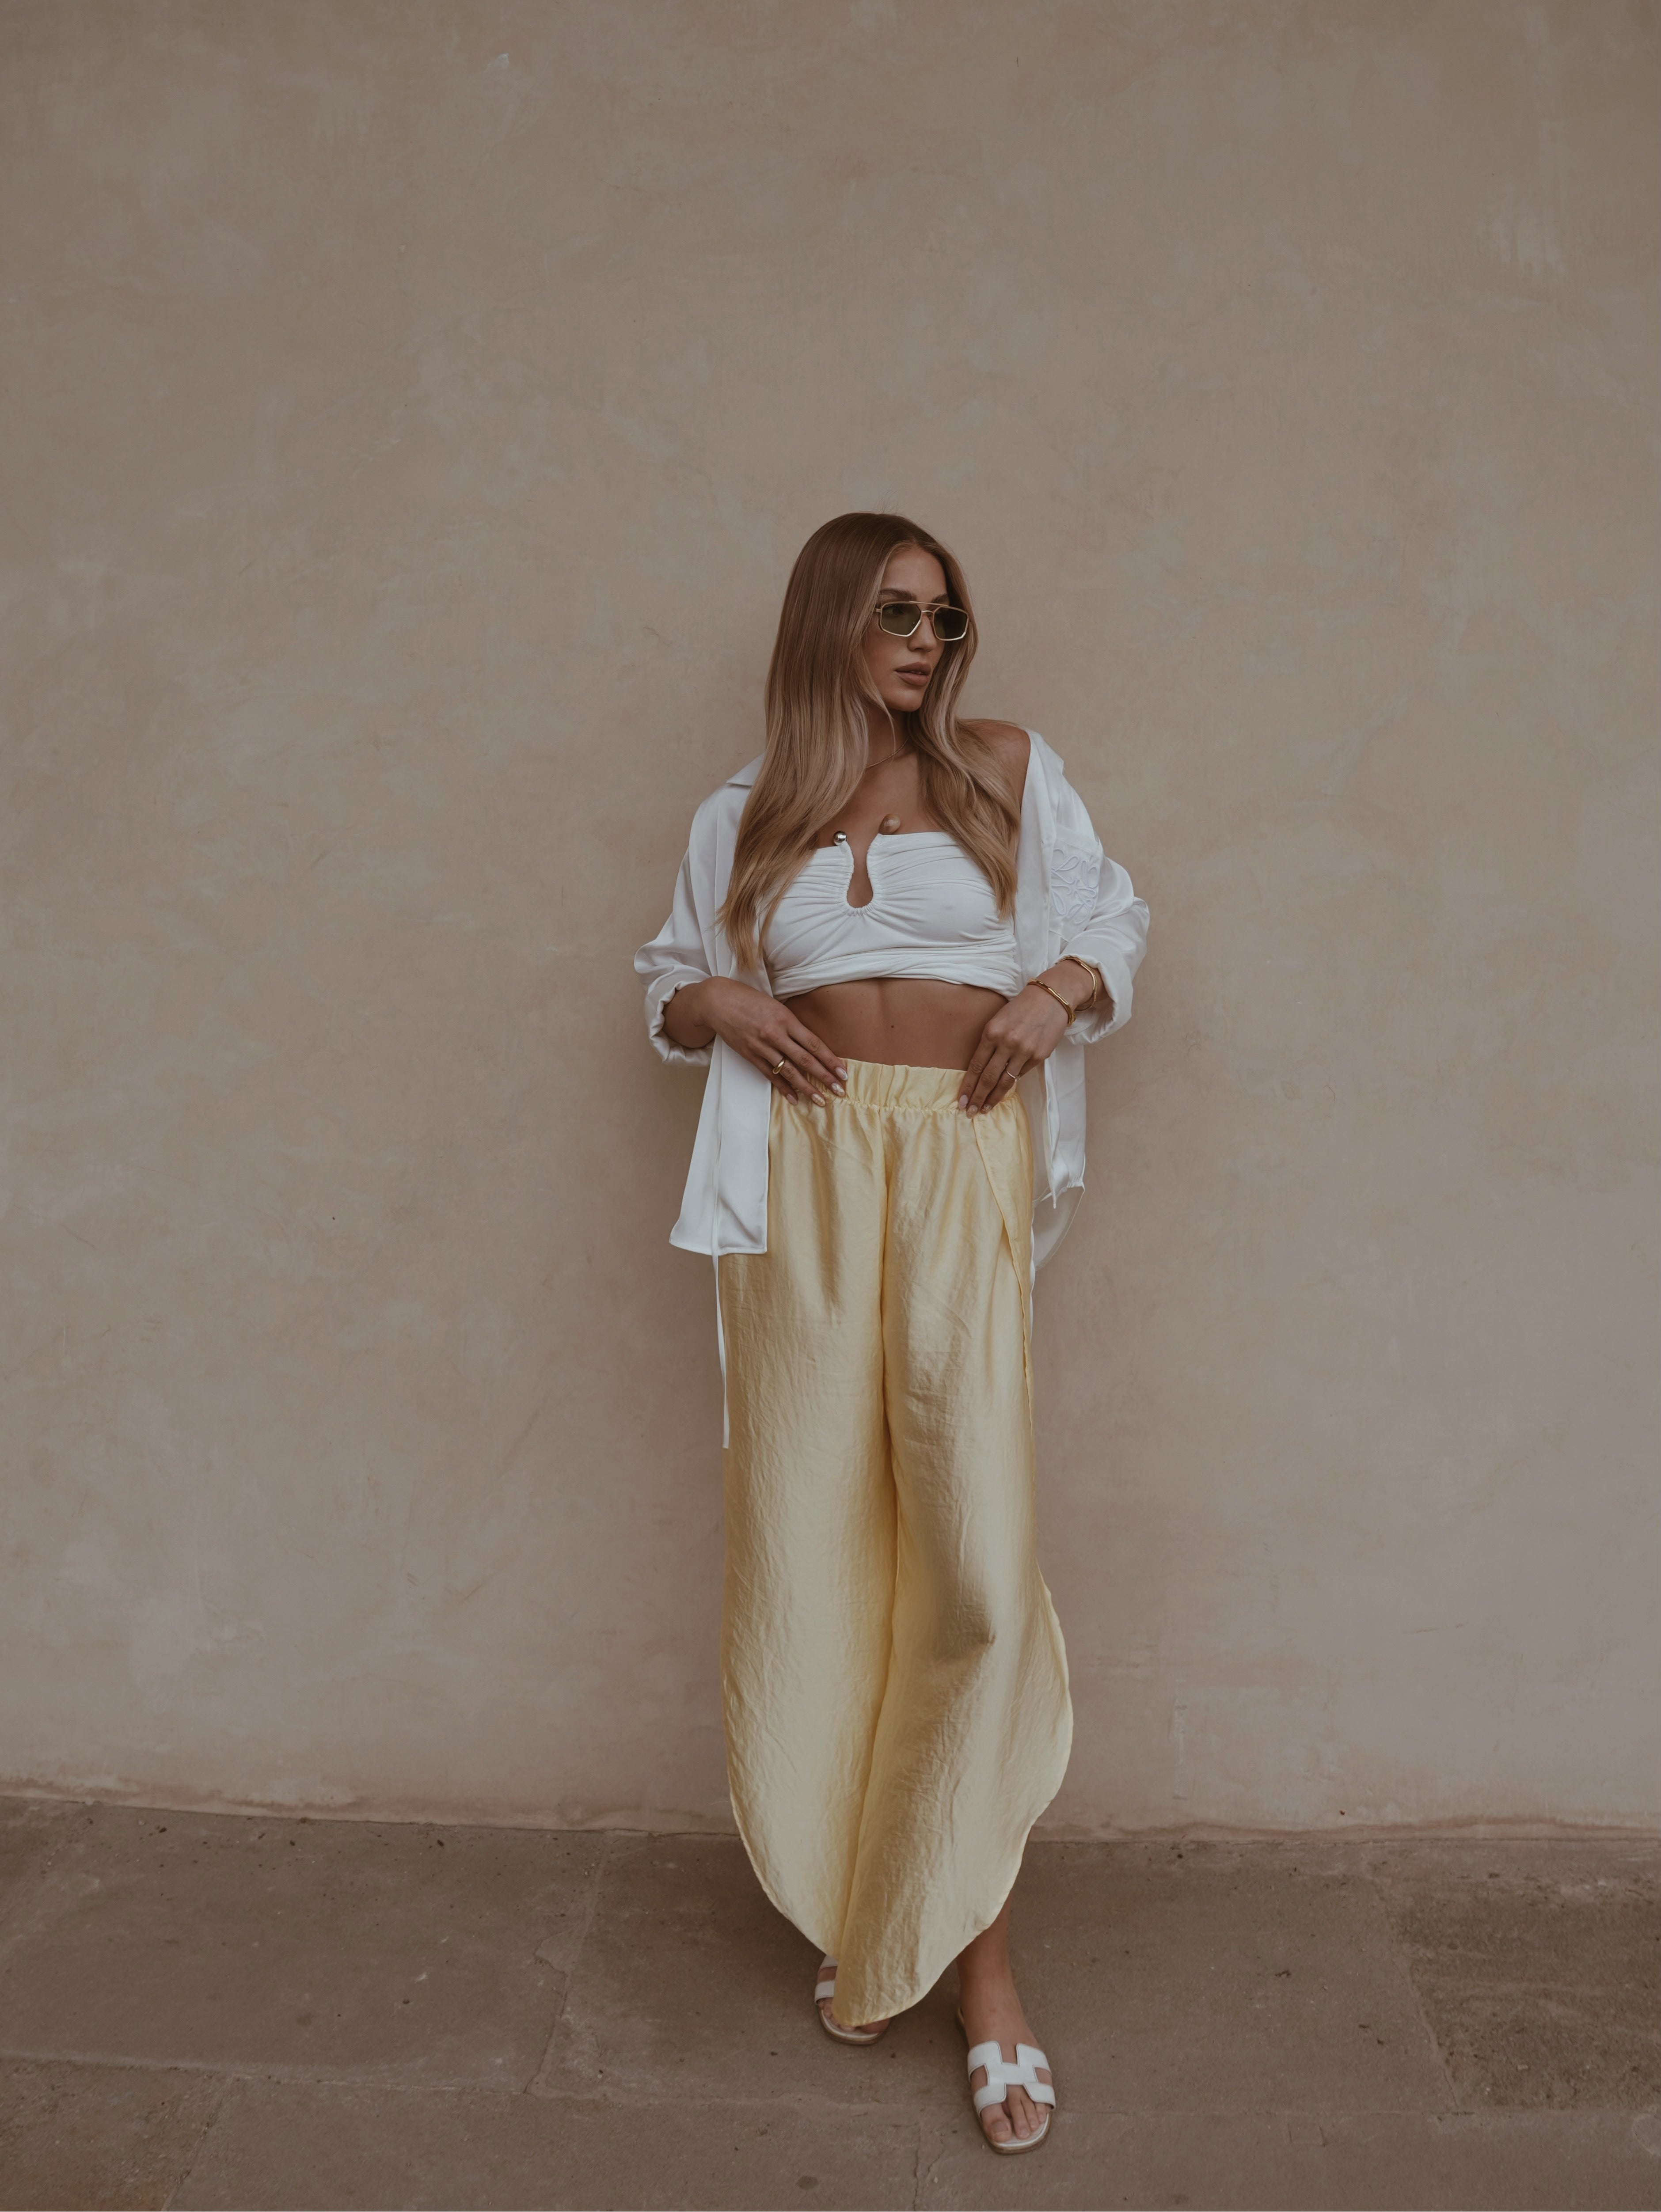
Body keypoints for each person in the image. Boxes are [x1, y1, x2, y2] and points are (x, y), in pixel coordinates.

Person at [634, 511, 1148, 2154]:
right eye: (900, 615)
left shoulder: (1003, 769)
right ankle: (885, 1916)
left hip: (954, 1159)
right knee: (813, 1551)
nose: (931, 644)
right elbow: (665, 982)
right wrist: (715, 1000)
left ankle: (975, 1963)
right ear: (829, 624)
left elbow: (1115, 921)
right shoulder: (745, 812)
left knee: (972, 1566)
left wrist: (1051, 995)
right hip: (799, 1179)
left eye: (948, 618)